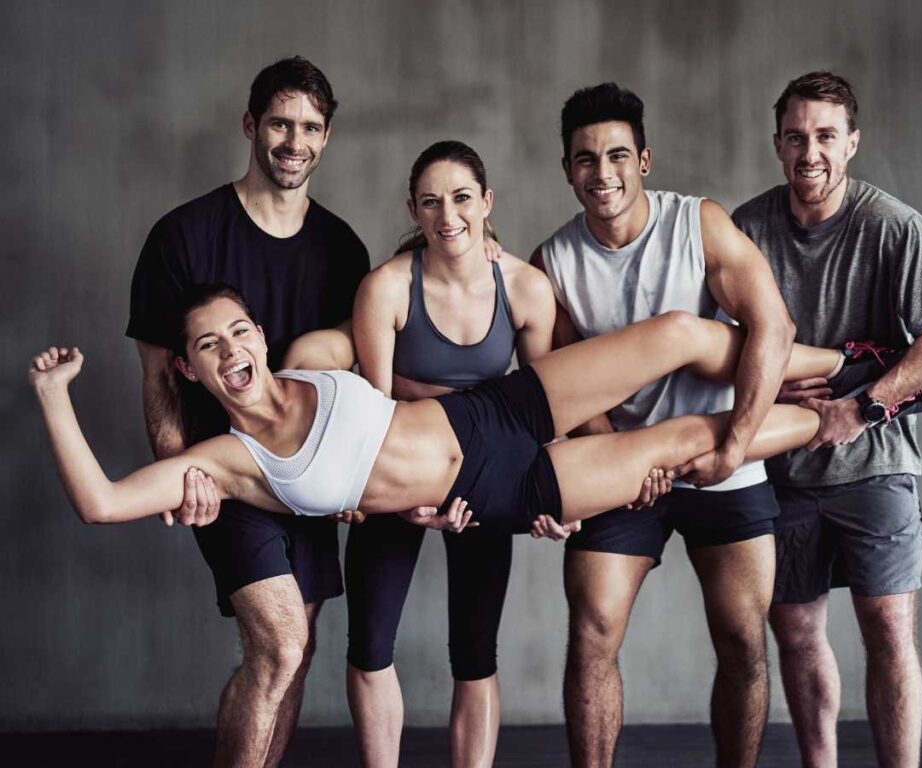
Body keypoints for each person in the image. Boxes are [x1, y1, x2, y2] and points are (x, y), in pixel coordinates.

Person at [531, 82, 794, 768]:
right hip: (622, 465)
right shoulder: (553, 263)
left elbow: (773, 325)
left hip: (720, 453)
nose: (601, 172)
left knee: (743, 641)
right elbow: (564, 383)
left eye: (617, 154)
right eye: (584, 159)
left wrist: (735, 446)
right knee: (591, 634)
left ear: (643, 159)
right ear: (567, 169)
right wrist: (618, 461)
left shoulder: (696, 223)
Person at [732, 71, 922, 768]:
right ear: (778, 145)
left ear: (851, 144)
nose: (809, 151)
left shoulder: (891, 225)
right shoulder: (746, 230)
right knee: (799, 636)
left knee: (889, 630)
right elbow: (715, 342)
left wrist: (861, 407)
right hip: (777, 469)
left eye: (824, 136)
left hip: (876, 466)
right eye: (795, 137)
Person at [125, 56, 369, 767]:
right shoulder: (183, 236)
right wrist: (180, 474)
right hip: (224, 473)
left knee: (297, 649)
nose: (295, 141)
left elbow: (352, 376)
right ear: (250, 126)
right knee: (279, 642)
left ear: (326, 138)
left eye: (311, 128)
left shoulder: (342, 248)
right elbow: (158, 378)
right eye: (280, 124)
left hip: (306, 476)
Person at [344, 140, 558, 768]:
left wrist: (550, 498)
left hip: (486, 477)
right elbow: (373, 412)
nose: (448, 216)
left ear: (487, 202)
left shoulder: (525, 287)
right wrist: (408, 502)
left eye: (462, 198)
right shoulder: (385, 288)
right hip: (400, 469)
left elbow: (545, 409)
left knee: (475, 652)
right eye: (431, 202)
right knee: (370, 644)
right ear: (413, 209)